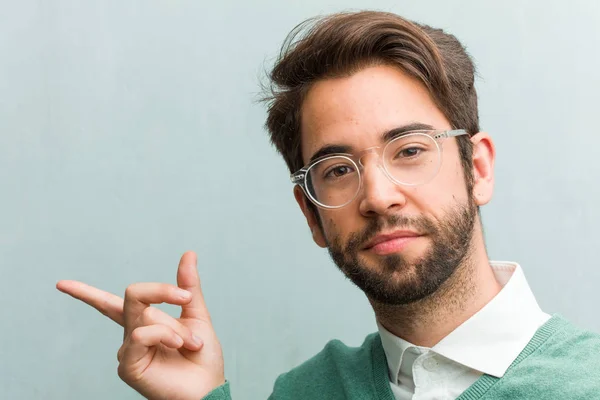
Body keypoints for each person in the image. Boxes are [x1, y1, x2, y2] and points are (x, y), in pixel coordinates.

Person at [56, 10, 600, 400]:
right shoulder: (303, 391)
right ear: (310, 213)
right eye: (338, 170)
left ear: (477, 168)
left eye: (410, 151)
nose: (379, 197)